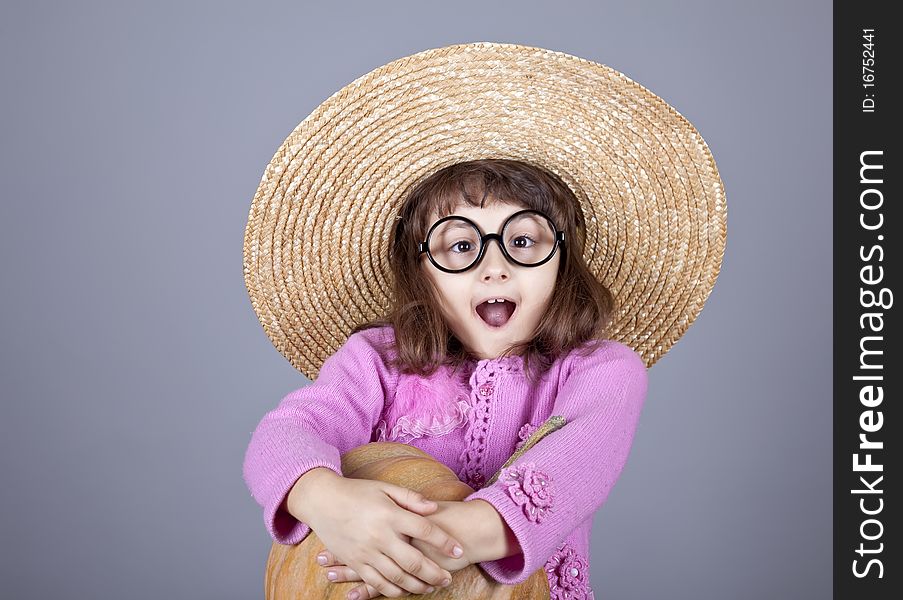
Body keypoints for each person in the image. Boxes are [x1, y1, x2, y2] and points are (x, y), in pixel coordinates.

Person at [242, 43, 726, 600]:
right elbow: (283, 436)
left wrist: (412, 543)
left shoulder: (602, 374)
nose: (494, 268)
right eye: (460, 246)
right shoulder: (375, 361)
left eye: (523, 241)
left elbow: (568, 480)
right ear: (420, 270)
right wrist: (326, 499)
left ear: (564, 259)